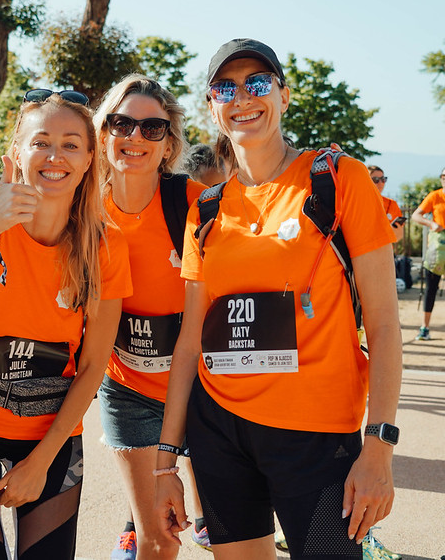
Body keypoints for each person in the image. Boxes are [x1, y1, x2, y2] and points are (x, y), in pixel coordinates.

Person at [155, 39, 402, 559]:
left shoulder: (337, 179)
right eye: (226, 88)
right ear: (212, 106)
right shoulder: (207, 208)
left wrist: (379, 443)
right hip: (218, 427)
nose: (242, 97)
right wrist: (165, 462)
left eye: (258, 83)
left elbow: (382, 323)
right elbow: (189, 342)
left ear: (284, 97)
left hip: (315, 432)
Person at [0, 89, 132, 560]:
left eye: (71, 144)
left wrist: (40, 462)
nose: (54, 156)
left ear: (88, 161)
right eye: (41, 141)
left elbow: (94, 364)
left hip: (50, 434)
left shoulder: (105, 244)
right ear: (16, 152)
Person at [92, 75, 207, 559]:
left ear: (168, 145)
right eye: (122, 123)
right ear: (103, 133)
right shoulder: (81, 208)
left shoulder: (196, 204)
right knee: (157, 538)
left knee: (225, 532)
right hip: (128, 391)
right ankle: (135, 529)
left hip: (203, 391)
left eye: (152, 129)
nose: (135, 137)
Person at [411, 167, 445, 340]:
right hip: (438, 248)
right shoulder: (435, 196)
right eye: (444, 176)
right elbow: (416, 215)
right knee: (431, 289)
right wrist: (431, 224)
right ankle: (425, 327)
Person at [366, 165, 404, 243]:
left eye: (383, 179)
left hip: (386, 250)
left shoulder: (392, 204)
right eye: (375, 180)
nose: (380, 183)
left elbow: (398, 235)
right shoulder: (359, 202)